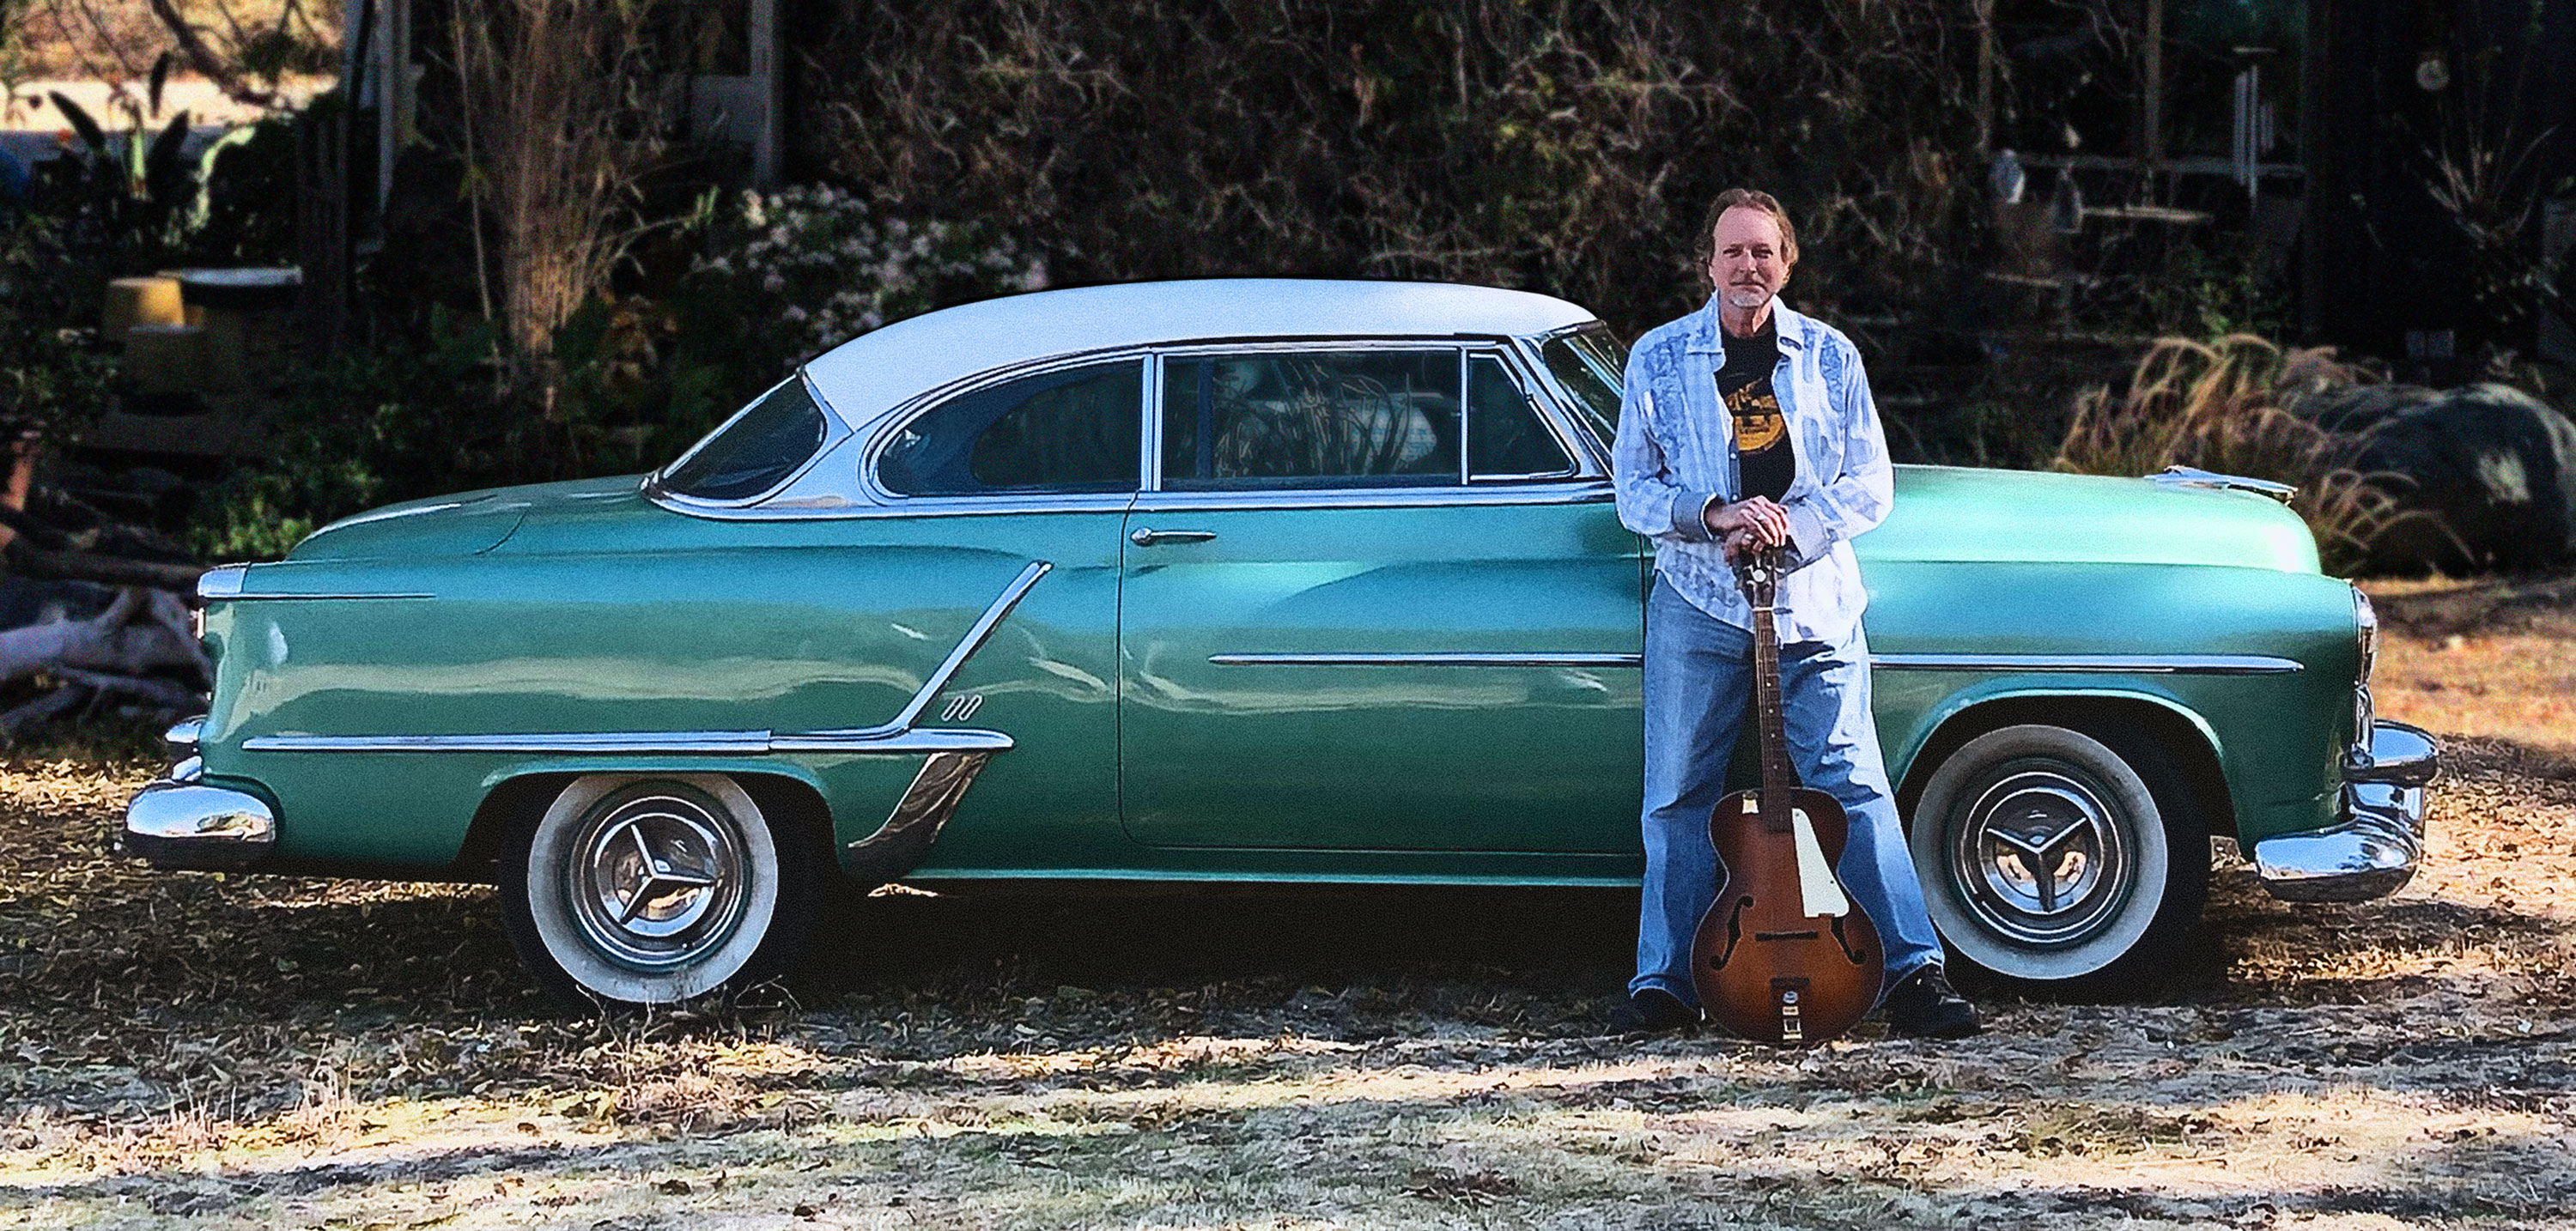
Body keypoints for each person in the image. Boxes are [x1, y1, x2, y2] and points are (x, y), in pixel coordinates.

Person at [1609, 188, 1980, 1039]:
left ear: (1787, 263)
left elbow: (1868, 482)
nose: (1747, 267)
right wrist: (1717, 515)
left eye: (1763, 252)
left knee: (1851, 785)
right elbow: (1635, 488)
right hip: (1700, 603)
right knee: (1675, 794)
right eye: (1732, 251)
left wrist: (1795, 529)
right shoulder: (1660, 359)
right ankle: (1663, 983)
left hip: (1812, 605)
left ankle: (1914, 976)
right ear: (1708, 262)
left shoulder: (1828, 357)